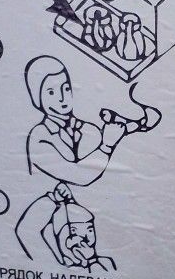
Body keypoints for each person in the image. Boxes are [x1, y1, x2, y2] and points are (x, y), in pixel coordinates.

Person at [24, 55, 125, 189]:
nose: (62, 98)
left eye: (66, 88)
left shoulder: (88, 129)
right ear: (37, 98)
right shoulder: (39, 137)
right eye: (51, 92)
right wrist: (107, 146)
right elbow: (78, 176)